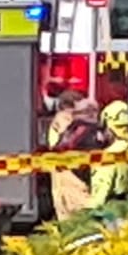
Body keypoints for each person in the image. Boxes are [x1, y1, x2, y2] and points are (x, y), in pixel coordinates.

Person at [46, 90, 107, 219]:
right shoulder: (65, 119)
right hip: (67, 173)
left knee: (70, 208)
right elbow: (66, 145)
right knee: (74, 205)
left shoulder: (77, 124)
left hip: (70, 173)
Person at [87, 99, 128, 209]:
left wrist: (87, 214)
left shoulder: (108, 156)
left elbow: (101, 194)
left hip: (112, 213)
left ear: (109, 126)